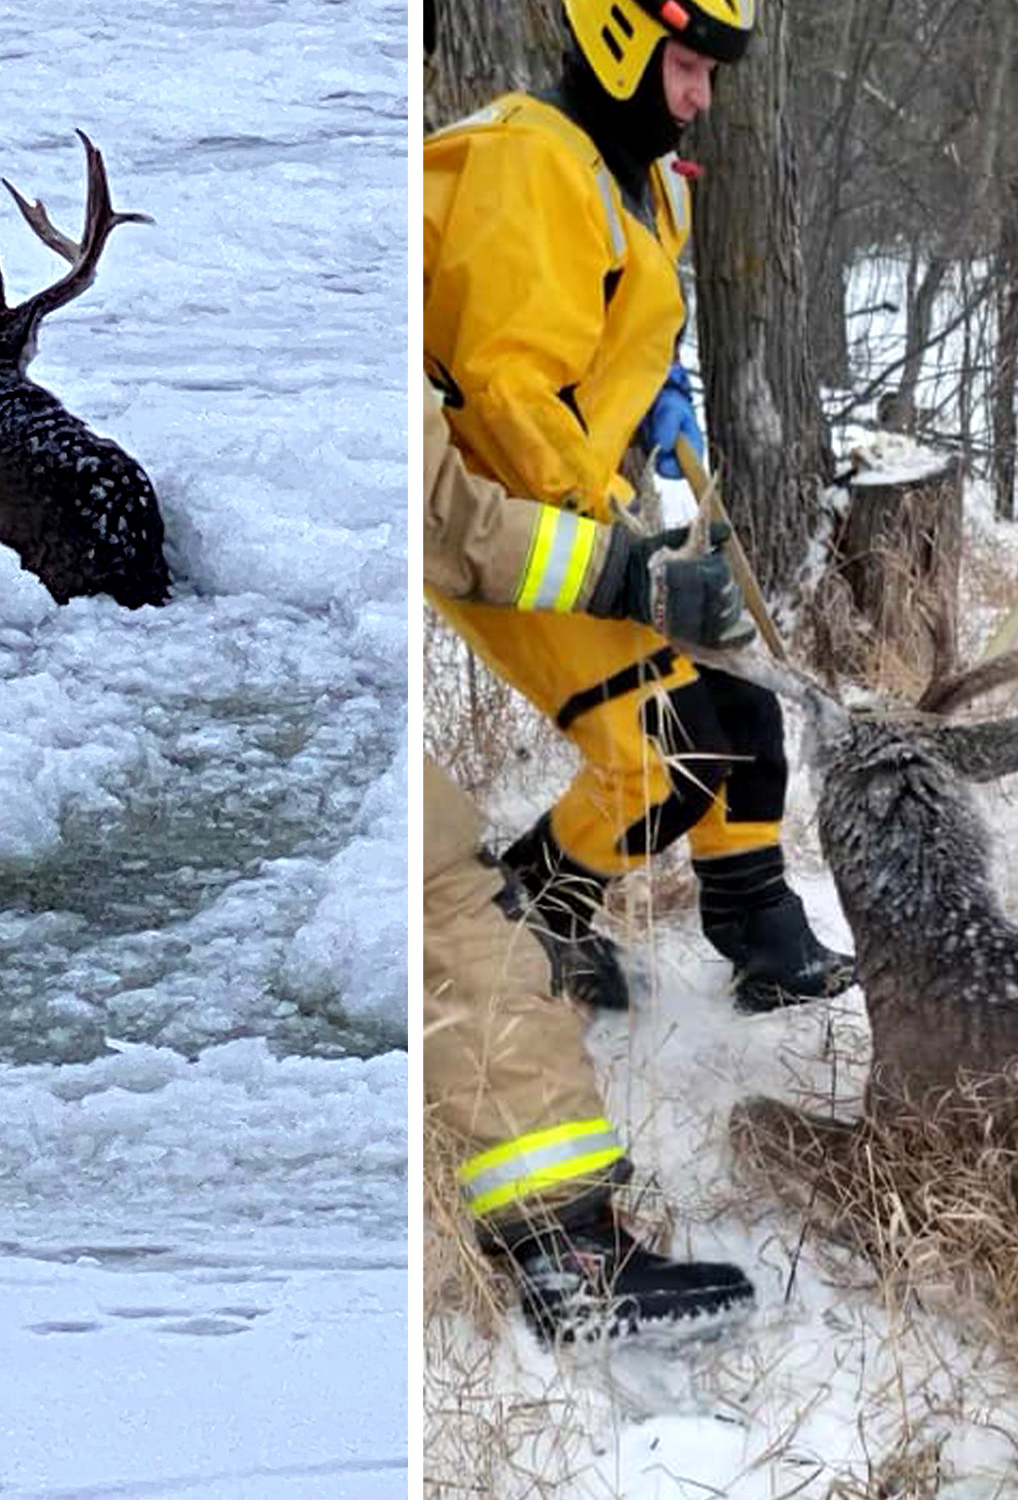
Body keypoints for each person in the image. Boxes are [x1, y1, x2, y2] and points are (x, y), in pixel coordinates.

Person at [422, 0, 853, 1014]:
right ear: (619, 41)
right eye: (688, 68)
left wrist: (660, 391)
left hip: (584, 506)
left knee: (739, 709)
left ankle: (758, 928)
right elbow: (510, 393)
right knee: (665, 755)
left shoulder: (647, 177)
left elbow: (619, 317)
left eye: (711, 74)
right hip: (498, 527)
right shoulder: (533, 167)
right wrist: (625, 561)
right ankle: (523, 921)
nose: (702, 98)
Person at [422, 386, 756, 1341]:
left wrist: (650, 373)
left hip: (559, 506)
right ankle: (570, 1260)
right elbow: (444, 508)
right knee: (445, 904)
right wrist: (620, 569)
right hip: (535, 519)